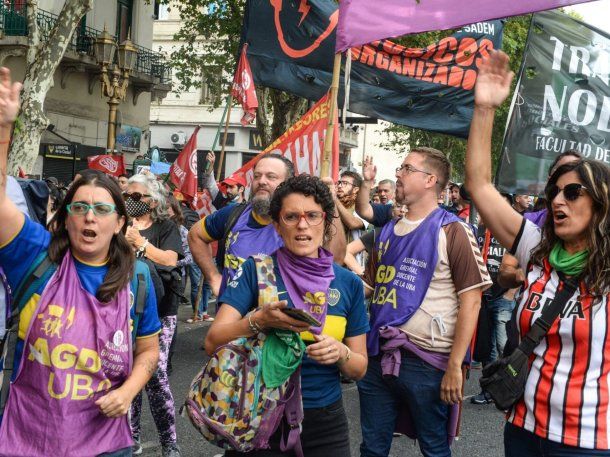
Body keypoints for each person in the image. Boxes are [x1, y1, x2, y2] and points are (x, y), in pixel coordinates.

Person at [0, 67, 161, 456]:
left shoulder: (137, 278)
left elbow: (149, 350)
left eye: (102, 209)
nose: (90, 217)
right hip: (29, 441)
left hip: (106, 444)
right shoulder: (36, 257)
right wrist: (4, 129)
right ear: (65, 216)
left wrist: (128, 390)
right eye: (81, 207)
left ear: (120, 222)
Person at [465, 49, 610, 456]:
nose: (559, 201)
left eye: (573, 192)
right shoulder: (537, 247)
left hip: (587, 441)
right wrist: (485, 109)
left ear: (599, 201)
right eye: (554, 192)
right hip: (523, 428)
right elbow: (479, 187)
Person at [206, 174, 369, 456]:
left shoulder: (348, 284)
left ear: (326, 223)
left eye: (313, 216)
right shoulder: (255, 271)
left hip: (325, 422)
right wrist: (257, 321)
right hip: (257, 413)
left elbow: (359, 367)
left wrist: (340, 353)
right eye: (291, 216)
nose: (302, 225)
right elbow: (212, 341)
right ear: (278, 226)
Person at [357, 150, 491, 457]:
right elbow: (373, 286)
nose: (399, 173)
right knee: (372, 449)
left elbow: (471, 299)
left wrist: (455, 366)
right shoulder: (387, 231)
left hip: (428, 362)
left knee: (433, 448)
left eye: (406, 168)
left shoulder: (453, 230)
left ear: (430, 180)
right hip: (378, 356)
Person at [188, 154, 346, 299]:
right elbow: (195, 235)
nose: (261, 181)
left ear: (288, 183)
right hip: (231, 322)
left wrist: (331, 203)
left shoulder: (303, 221)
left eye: (271, 177)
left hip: (281, 324)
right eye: (257, 176)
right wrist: (214, 278)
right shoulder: (233, 214)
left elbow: (336, 260)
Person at [124, 173, 184, 457]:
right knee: (127, 372)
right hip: (125, 310)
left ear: (152, 200)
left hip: (161, 310)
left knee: (155, 373)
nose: (130, 202)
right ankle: (129, 435)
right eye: (127, 196)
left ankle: (169, 441)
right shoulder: (120, 225)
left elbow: (171, 259)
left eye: (137, 197)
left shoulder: (166, 226)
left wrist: (140, 243)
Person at [167, 195, 213, 323]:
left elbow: (188, 257)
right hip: (159, 275)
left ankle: (201, 312)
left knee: (202, 284)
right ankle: (197, 313)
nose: (164, 212)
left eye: (167, 208)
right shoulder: (158, 227)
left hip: (176, 275)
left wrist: (172, 262)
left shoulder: (182, 230)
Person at [335, 170, 369, 270]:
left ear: (355, 189)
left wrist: (335, 200)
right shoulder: (331, 205)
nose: (340, 186)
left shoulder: (362, 209)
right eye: (339, 183)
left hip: (350, 267)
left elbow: (352, 223)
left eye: (345, 183)